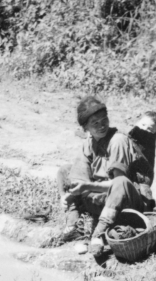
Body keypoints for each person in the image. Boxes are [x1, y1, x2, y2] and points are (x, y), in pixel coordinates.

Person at [57, 96, 151, 255]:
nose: (102, 126)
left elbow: (118, 184)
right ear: (85, 128)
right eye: (95, 123)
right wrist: (65, 195)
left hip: (124, 202)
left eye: (104, 120)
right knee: (64, 170)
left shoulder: (118, 140)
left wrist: (87, 186)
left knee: (121, 181)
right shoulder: (88, 142)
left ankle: (98, 233)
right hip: (100, 198)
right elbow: (79, 175)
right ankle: (73, 224)